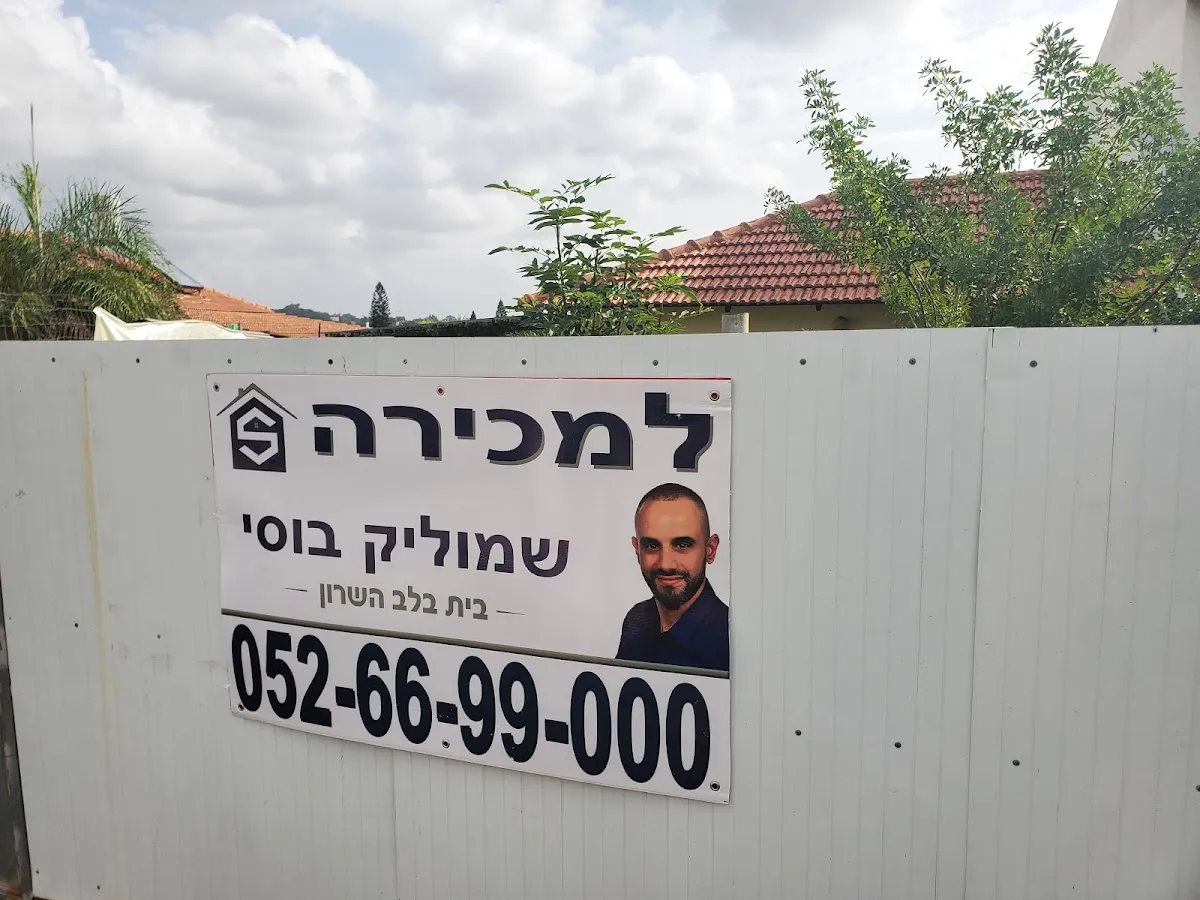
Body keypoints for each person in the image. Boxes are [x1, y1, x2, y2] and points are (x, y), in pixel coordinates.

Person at [615, 483, 729, 673]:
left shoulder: (730, 640)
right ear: (637, 550)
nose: (666, 564)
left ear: (710, 550)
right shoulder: (637, 619)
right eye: (652, 546)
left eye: (682, 545)